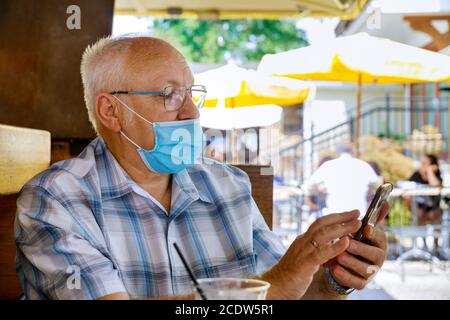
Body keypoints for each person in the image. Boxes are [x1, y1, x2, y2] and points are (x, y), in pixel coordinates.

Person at [14, 36, 389, 300]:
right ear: (111, 111)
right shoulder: (55, 200)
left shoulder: (227, 185)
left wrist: (334, 275)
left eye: (191, 93)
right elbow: (276, 288)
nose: (192, 112)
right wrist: (269, 289)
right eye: (168, 94)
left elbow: (291, 291)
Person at [306, 144, 381, 218]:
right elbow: (378, 186)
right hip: (358, 216)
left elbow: (309, 186)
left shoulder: (328, 165)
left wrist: (320, 191)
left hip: (334, 215)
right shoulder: (363, 165)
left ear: (338, 153)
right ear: (353, 152)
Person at [408, 154, 443, 225]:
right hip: (419, 209)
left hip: (433, 208)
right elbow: (407, 187)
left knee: (435, 213)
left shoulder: (436, 174)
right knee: (420, 213)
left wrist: (429, 171)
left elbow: (435, 186)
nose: (421, 166)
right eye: (421, 163)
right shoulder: (416, 175)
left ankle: (436, 235)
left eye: (424, 164)